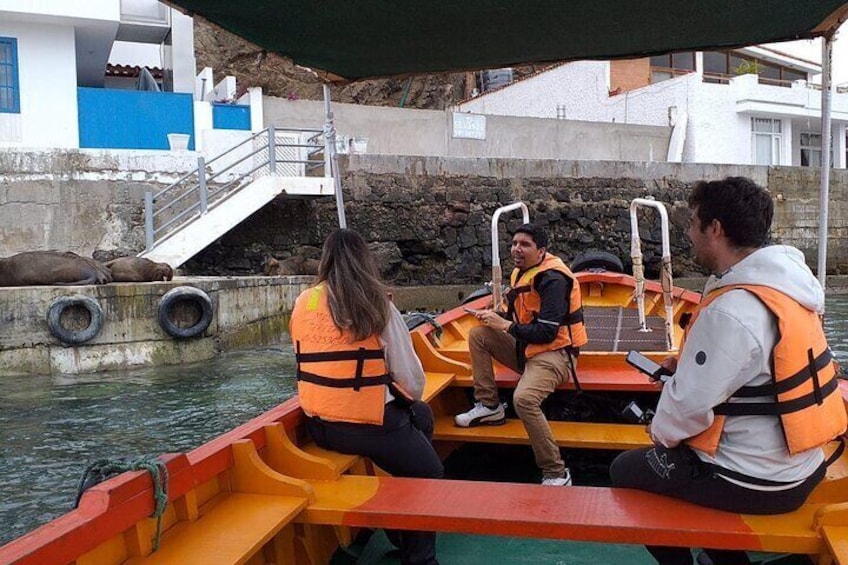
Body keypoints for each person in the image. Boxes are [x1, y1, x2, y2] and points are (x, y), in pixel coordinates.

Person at [610, 177, 847, 565]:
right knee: (692, 458)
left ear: (715, 228)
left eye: (691, 223)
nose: (689, 234)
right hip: (807, 464)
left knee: (627, 469)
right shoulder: (789, 287)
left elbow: (684, 410)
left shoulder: (732, 310)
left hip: (758, 484)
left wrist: (659, 434)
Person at [289, 228, 443, 565]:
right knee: (429, 474)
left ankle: (400, 526)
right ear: (365, 260)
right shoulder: (376, 304)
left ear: (325, 261)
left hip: (320, 425)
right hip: (368, 427)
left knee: (420, 422)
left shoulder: (305, 301)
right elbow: (411, 381)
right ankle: (417, 557)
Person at [454, 223, 588, 486]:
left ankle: (556, 473)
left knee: (524, 399)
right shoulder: (522, 272)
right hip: (526, 349)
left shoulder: (553, 280)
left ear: (541, 251)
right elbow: (519, 315)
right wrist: (496, 317)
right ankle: (489, 406)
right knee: (479, 334)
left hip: (556, 354)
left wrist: (504, 325)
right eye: (514, 243)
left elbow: (547, 333)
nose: (517, 248)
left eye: (525, 244)